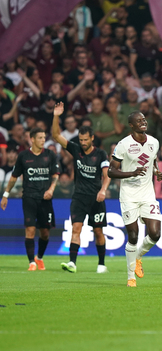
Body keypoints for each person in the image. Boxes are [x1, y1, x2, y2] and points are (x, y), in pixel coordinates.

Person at [51, 102, 111, 273]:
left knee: (98, 231)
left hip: (96, 198)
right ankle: (72, 263)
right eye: (81, 140)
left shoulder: (100, 154)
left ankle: (101, 264)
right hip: (79, 197)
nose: (83, 143)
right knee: (76, 228)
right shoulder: (75, 149)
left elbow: (107, 175)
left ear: (92, 138)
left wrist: (103, 190)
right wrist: (56, 115)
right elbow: (56, 135)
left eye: (86, 140)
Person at [108, 111, 162, 287]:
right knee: (133, 236)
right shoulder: (123, 145)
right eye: (139, 121)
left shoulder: (154, 142)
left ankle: (138, 256)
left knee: (155, 234)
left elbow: (152, 161)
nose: (143, 122)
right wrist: (131, 173)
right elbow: (111, 171)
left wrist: (156, 171)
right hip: (129, 196)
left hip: (148, 194)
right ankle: (130, 276)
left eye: (144, 120)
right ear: (131, 125)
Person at [1, 127, 59, 270]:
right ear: (32, 139)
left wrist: (51, 189)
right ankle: (31, 262)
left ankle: (39, 258)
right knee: (30, 230)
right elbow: (14, 177)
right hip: (29, 198)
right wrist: (5, 195)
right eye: (40, 138)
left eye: (44, 137)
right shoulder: (23, 156)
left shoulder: (50, 155)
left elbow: (55, 175)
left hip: (45, 199)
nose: (43, 140)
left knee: (45, 233)